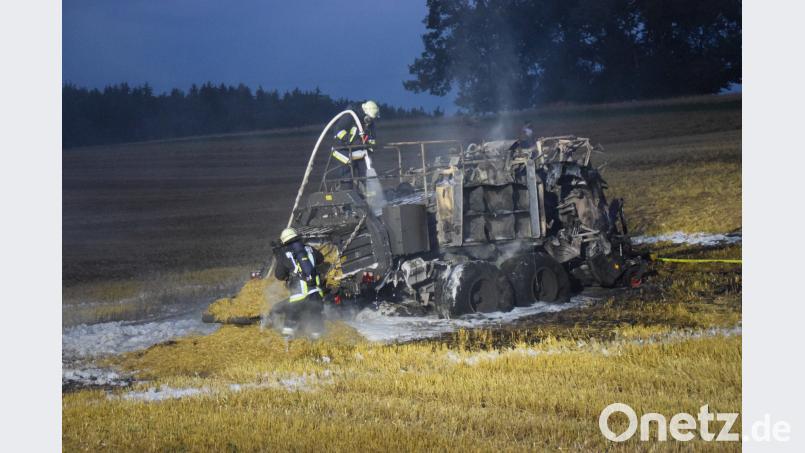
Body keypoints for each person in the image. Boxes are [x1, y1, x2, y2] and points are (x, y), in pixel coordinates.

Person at [268, 227, 326, 337]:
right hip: (316, 295)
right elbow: (321, 259)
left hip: (298, 298)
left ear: (284, 241)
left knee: (289, 328)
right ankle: (318, 350)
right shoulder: (308, 249)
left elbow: (279, 275)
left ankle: (288, 347)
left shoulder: (285, 254)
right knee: (316, 329)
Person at [331, 100, 380, 190]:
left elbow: (372, 138)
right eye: (369, 118)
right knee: (347, 174)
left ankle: (369, 197)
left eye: (372, 119)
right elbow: (338, 130)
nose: (370, 121)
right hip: (341, 149)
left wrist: (370, 148)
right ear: (365, 112)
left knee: (365, 171)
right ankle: (346, 198)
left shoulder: (370, 121)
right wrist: (349, 140)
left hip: (357, 149)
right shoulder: (350, 115)